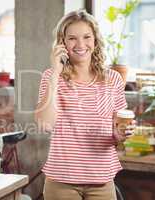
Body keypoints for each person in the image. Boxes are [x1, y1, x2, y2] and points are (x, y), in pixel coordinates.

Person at [35, 10, 132, 200]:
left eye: (87, 37)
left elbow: (117, 131)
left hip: (102, 180)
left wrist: (120, 135)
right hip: (61, 182)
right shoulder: (51, 76)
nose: (80, 44)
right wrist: (56, 72)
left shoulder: (113, 79)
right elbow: (45, 123)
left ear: (95, 40)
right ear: (62, 43)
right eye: (72, 38)